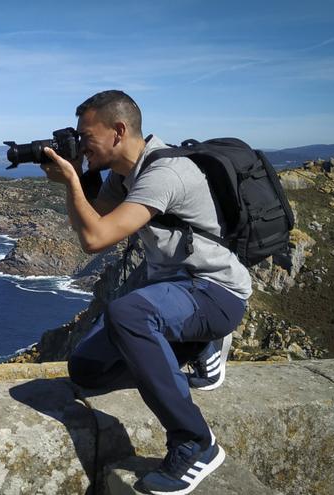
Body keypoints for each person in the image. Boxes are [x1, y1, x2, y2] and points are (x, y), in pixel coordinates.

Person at [39, 90, 251, 495]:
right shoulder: (124, 174)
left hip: (215, 291)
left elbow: (95, 239)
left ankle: (194, 443)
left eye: (86, 136)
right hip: (173, 290)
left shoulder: (163, 174)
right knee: (86, 369)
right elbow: (98, 216)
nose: (81, 144)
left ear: (118, 131)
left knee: (129, 314)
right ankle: (194, 344)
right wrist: (79, 176)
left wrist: (70, 179)